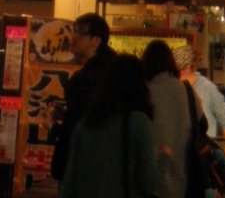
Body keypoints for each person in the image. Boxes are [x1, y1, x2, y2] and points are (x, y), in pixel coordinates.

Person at [59, 54, 161, 198]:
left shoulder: (85, 125)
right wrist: (163, 159)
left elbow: (69, 184)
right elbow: (149, 183)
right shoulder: (138, 122)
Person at [51, 13, 116, 180]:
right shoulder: (110, 71)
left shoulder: (89, 78)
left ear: (95, 41)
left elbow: (80, 124)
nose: (72, 37)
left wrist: (55, 128)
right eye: (73, 32)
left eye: (79, 33)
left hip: (82, 165)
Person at [142, 40, 195, 198]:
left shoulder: (142, 93)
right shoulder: (185, 89)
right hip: (181, 177)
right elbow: (201, 123)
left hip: (150, 179)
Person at [173, 45, 225, 137]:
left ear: (187, 68)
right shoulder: (172, 87)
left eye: (176, 71)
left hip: (203, 143)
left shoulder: (207, 88)